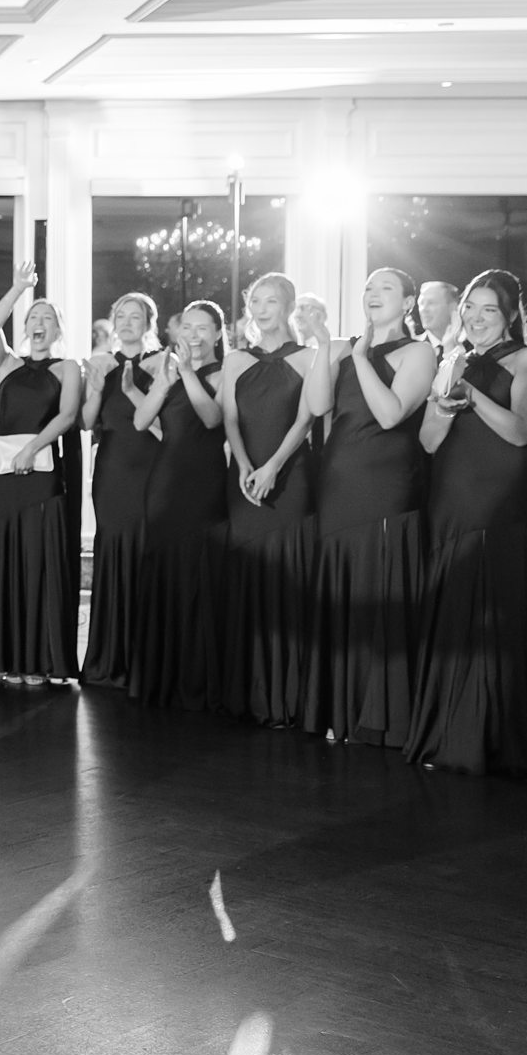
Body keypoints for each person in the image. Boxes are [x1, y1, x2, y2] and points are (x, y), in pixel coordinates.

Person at [407, 269, 527, 776]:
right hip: (451, 501)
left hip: (500, 506)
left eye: (488, 310)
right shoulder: (454, 359)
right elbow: (429, 441)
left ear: (511, 314)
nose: (475, 317)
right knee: (454, 616)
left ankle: (497, 741)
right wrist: (447, 404)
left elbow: (522, 432)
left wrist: (474, 397)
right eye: (470, 307)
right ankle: (449, 734)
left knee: (495, 620)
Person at [310, 267, 434, 745]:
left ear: (407, 302)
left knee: (378, 591)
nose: (372, 294)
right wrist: (326, 346)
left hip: (387, 486)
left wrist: (361, 358)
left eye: (385, 288)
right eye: (367, 288)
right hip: (339, 483)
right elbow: (319, 406)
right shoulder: (342, 348)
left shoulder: (418, 351)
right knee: (343, 593)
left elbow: (390, 413)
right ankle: (342, 709)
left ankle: (382, 719)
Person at [0, 263, 84, 684]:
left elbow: (68, 415)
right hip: (4, 475)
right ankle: (6, 657)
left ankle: (40, 660)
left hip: (42, 472)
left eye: (47, 319)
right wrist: (19, 288)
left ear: (58, 330)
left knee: (39, 558)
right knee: (5, 556)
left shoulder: (67, 368)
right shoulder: (9, 365)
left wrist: (33, 448)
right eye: (33, 318)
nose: (38, 323)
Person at [220, 272, 326, 725]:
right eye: (255, 302)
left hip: (291, 476)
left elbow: (306, 421)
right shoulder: (235, 360)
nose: (262, 310)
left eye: (271, 302)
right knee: (246, 579)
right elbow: (229, 419)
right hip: (242, 480)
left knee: (287, 578)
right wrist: (244, 466)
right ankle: (248, 695)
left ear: (287, 307)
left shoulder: (310, 357)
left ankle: (289, 699)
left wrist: (273, 467)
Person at [125, 302, 229, 709]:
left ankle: (198, 679)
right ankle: (160, 676)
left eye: (203, 328)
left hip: (203, 482)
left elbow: (211, 419)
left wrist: (187, 373)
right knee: (163, 570)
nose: (194, 335)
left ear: (218, 334)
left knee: (198, 572)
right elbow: (140, 422)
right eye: (188, 326)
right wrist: (164, 383)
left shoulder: (224, 372)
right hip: (164, 480)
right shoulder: (166, 372)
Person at [80, 292, 163, 687]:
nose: (128, 323)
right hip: (111, 471)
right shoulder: (100, 363)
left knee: (147, 552)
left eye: (136, 317)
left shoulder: (163, 362)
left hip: (151, 469)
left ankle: (145, 661)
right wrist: (95, 387)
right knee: (112, 552)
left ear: (149, 323)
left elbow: (167, 423)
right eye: (122, 316)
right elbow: (85, 422)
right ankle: (108, 658)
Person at [418, 280, 461, 351]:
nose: (424, 309)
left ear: (453, 307)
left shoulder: (472, 346)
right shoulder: (409, 349)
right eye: (421, 303)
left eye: (431, 303)